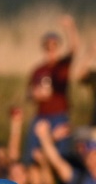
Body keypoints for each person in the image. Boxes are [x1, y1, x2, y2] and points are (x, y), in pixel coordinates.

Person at [26, 15, 80, 162]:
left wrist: (70, 28)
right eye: (48, 47)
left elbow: (74, 48)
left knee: (61, 154)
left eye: (54, 46)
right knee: (34, 153)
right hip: (42, 116)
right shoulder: (38, 70)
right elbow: (28, 94)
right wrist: (35, 94)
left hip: (59, 115)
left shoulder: (62, 66)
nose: (51, 50)